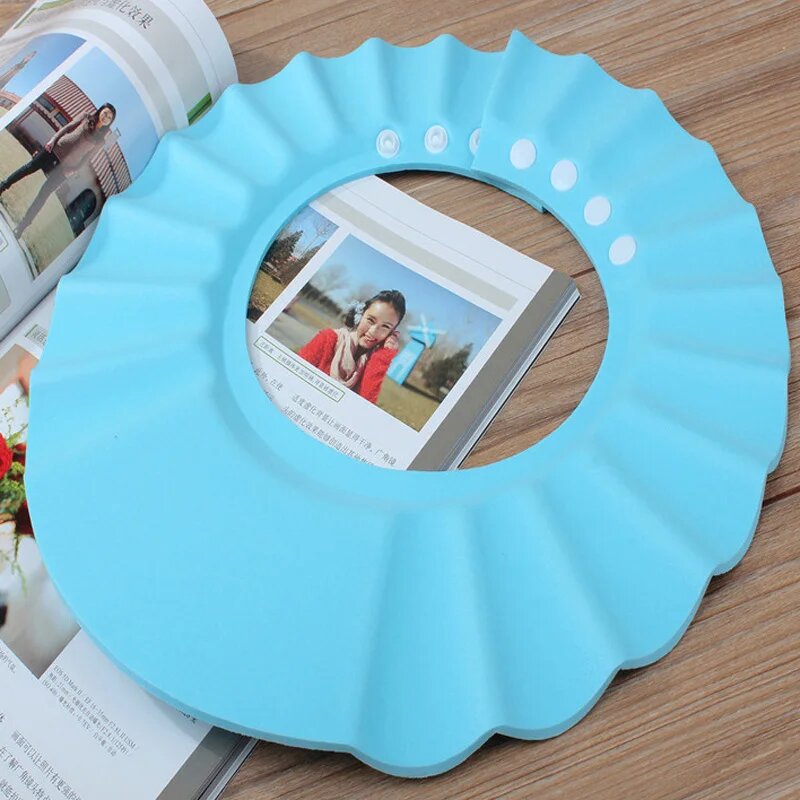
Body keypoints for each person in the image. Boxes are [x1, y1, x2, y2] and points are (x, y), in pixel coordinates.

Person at [0, 102, 117, 238]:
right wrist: (53, 140)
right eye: (105, 113)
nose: (106, 117)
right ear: (100, 110)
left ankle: (21, 228)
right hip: (54, 150)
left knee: (43, 195)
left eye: (109, 118)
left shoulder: (100, 140)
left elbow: (87, 158)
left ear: (110, 122)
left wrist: (73, 170)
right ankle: (2, 186)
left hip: (65, 168)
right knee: (27, 169)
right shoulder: (86, 116)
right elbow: (67, 128)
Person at [298, 289, 405, 404]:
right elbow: (294, 375)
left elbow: (364, 405)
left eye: (385, 327)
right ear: (361, 315)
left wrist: (384, 356)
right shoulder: (328, 339)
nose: (373, 332)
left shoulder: (374, 363)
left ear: (392, 333)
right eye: (370, 320)